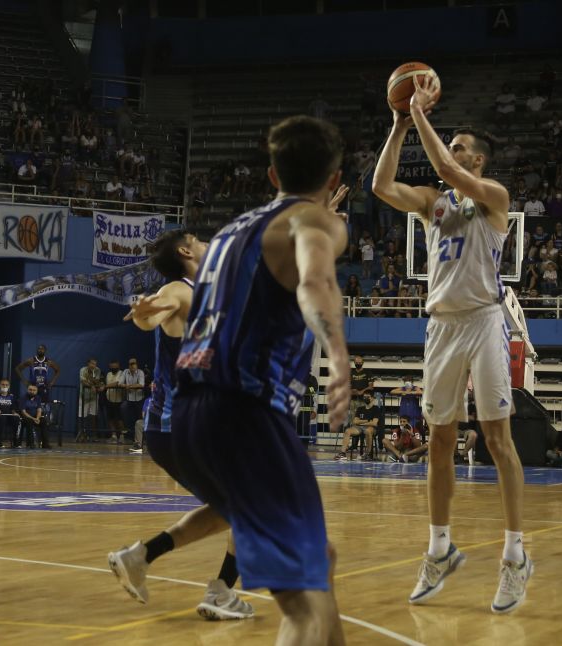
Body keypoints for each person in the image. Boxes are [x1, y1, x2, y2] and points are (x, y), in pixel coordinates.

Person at [171, 115, 351, 643]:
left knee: (318, 563)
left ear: (272, 175)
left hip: (189, 414)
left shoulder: (228, 232)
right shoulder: (315, 222)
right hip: (246, 413)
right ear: (335, 179)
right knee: (301, 608)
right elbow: (315, 282)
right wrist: (338, 353)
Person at [373, 76, 532, 614]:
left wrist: (419, 112)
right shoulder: (434, 204)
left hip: (484, 321)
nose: (451, 150)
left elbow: (445, 168)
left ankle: (515, 556)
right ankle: (440, 549)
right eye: (452, 144)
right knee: (439, 441)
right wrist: (399, 126)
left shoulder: (494, 199)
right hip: (441, 325)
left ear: (477, 161)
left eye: (460, 146)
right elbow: (381, 185)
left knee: (497, 439)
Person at [108, 229, 255, 620]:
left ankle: (140, 557)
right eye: (200, 240)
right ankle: (221, 592)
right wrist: (144, 313)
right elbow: (154, 313)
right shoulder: (179, 290)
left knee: (230, 509)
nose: (208, 244)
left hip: (178, 431)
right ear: (187, 252)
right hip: (186, 428)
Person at [334, 393, 380, 461]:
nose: (366, 398)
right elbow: (355, 421)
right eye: (364, 397)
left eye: (368, 396)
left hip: (371, 428)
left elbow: (374, 423)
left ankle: (368, 454)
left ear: (373, 398)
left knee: (368, 431)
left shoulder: (376, 409)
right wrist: (367, 420)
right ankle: (343, 453)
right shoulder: (360, 409)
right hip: (360, 428)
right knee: (347, 431)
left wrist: (361, 422)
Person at [78, 358, 103, 442]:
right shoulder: (83, 370)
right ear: (88, 363)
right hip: (84, 396)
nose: (93, 366)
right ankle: (82, 434)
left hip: (94, 397)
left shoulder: (97, 370)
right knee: (82, 416)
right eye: (92, 363)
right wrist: (92, 385)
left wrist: (92, 382)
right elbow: (83, 381)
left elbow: (97, 381)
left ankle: (93, 435)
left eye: (95, 364)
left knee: (93, 416)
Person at [19, 383, 49, 449]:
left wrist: (37, 418)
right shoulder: (23, 398)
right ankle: (31, 444)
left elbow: (39, 410)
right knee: (29, 421)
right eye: (30, 390)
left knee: (43, 421)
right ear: (27, 390)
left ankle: (45, 444)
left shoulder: (38, 398)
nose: (32, 391)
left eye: (34, 390)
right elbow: (23, 412)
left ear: (37, 391)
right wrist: (34, 419)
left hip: (35, 417)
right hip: (25, 417)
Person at [0, 379, 18, 448]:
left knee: (17, 419)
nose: (4, 386)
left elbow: (13, 407)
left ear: (9, 386)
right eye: (3, 384)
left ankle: (16, 443)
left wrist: (14, 412)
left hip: (9, 416)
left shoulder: (12, 396)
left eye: (6, 385)